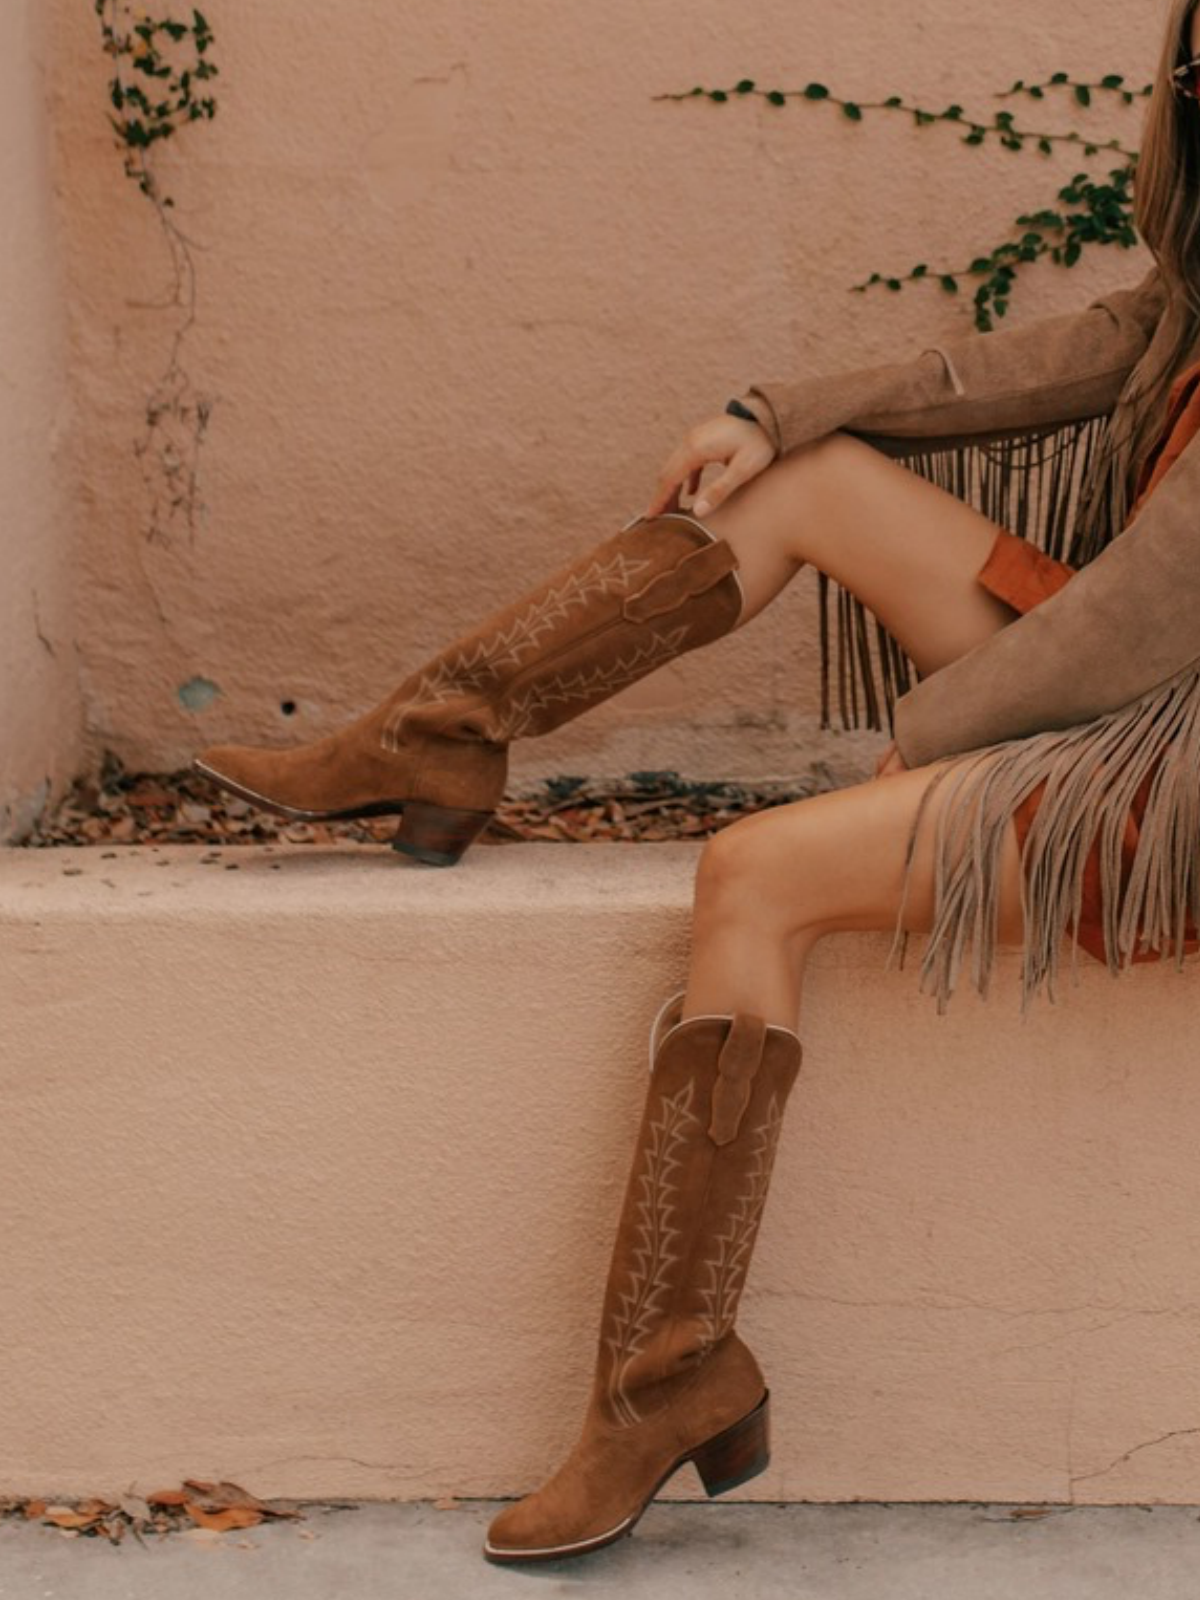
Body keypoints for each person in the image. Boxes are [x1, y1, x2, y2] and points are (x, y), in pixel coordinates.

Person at [193, 0, 1200, 1563]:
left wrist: (935, 747)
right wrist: (774, 411)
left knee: (758, 873)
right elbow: (1061, 359)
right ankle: (444, 732)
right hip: (1125, 687)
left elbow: (1151, 615)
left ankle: (669, 1375)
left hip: (1169, 771)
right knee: (807, 483)